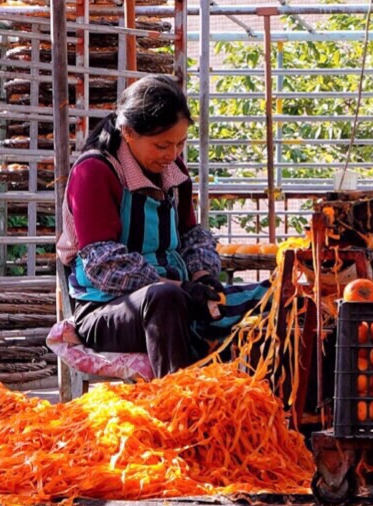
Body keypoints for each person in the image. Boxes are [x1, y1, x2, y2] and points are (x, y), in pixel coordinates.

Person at [56, 74, 263, 377]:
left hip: (179, 297)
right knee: (165, 300)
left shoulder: (172, 169)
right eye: (162, 145)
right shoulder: (94, 173)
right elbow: (105, 267)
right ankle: (176, 405)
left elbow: (193, 236)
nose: (173, 154)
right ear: (128, 132)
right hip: (108, 311)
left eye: (180, 143)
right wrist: (181, 288)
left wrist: (203, 276)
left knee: (269, 296)